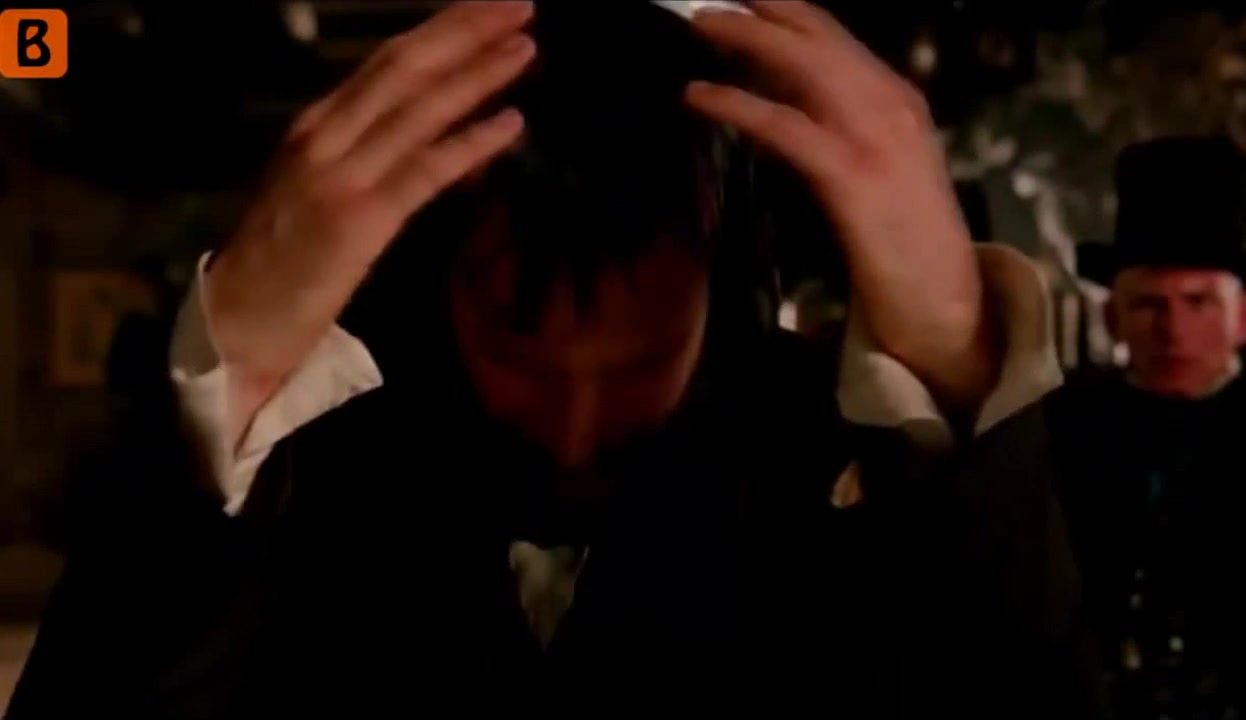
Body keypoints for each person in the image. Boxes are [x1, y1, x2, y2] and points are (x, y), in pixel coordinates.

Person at [10, 2, 1090, 716]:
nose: (575, 433)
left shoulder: (842, 470)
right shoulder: (311, 475)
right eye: (516, 351)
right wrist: (232, 385)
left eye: (640, 361)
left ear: (728, 300)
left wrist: (956, 356)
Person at [1051, 135, 1246, 719]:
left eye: (1199, 302)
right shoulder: (1061, 429)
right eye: (1149, 306)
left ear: (1242, 318)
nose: (1174, 332)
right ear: (1112, 317)